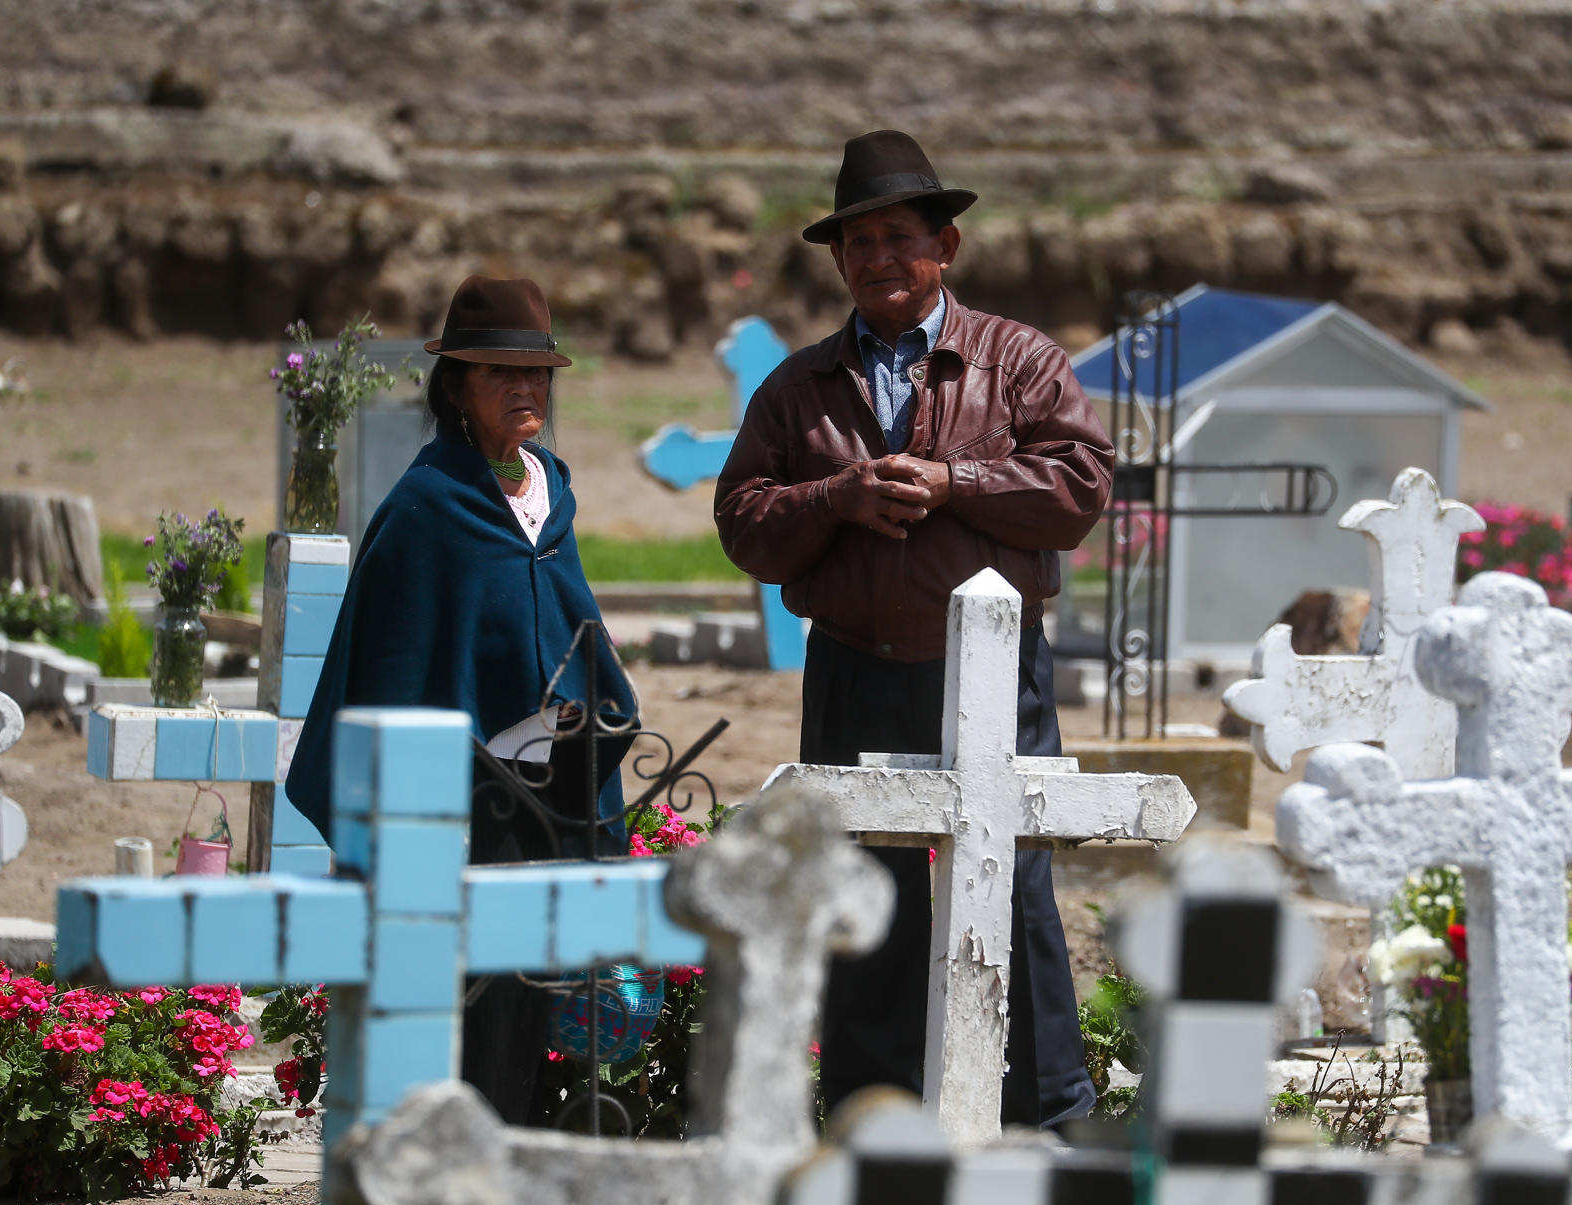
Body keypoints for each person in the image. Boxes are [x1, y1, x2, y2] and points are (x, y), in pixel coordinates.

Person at [713, 130, 1114, 1130]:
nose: (879, 258)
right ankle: (868, 1120)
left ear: (948, 246)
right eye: (858, 243)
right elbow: (743, 520)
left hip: (991, 674)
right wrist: (838, 496)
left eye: (900, 236)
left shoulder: (1018, 361)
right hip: (855, 667)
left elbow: (1078, 487)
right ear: (839, 261)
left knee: (1012, 891)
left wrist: (955, 481)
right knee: (865, 894)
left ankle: (1044, 1114)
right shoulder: (800, 386)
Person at [285, 274, 636, 1125]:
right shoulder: (428, 506)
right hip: (457, 803)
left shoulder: (550, 492)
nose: (526, 390)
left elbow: (566, 624)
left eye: (538, 375)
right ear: (456, 389)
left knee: (532, 994)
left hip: (549, 794)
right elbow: (396, 664)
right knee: (461, 999)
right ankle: (437, 1165)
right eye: (499, 374)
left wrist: (593, 708)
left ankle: (507, 1157)